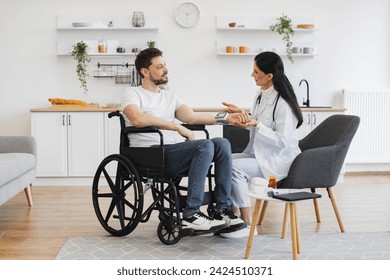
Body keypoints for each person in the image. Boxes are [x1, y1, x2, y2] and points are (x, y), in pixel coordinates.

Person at [121, 48, 246, 235]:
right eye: (160, 66)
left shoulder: (169, 96)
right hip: (150, 154)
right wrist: (176, 127)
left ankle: (222, 209)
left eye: (165, 65)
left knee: (221, 143)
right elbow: (138, 119)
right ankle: (191, 214)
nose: (166, 70)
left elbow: (192, 117)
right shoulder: (132, 94)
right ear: (144, 72)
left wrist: (225, 119)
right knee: (204, 145)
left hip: (172, 151)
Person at [221, 51, 303, 238]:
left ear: (269, 76)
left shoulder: (283, 103)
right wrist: (243, 114)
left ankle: (248, 224)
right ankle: (232, 218)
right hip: (259, 154)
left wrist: (257, 124)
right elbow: (259, 122)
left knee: (233, 167)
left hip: (277, 162)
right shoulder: (260, 94)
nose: (252, 75)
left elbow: (283, 141)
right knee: (224, 159)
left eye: (256, 71)